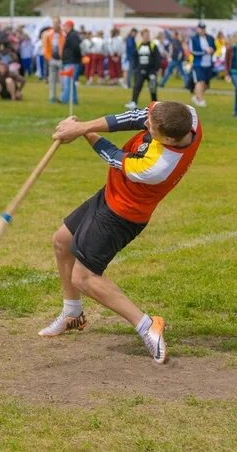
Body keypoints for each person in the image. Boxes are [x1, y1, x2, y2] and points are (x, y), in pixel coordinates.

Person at [41, 101, 202, 364]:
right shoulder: (188, 116)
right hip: (112, 194)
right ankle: (72, 313)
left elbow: (112, 155)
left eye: (153, 128)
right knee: (62, 241)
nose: (146, 124)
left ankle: (146, 324)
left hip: (122, 213)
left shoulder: (157, 166)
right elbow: (135, 117)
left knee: (83, 278)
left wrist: (82, 131)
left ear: (170, 139)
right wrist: (82, 125)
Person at [126, 29, 161, 109]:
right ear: (142, 36)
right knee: (137, 86)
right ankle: (134, 102)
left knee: (152, 87)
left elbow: (157, 58)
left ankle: (154, 104)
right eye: (145, 35)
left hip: (151, 71)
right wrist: (135, 68)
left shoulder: (153, 45)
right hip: (140, 70)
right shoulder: (138, 45)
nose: (147, 36)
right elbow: (135, 57)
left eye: (148, 35)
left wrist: (156, 69)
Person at [188, 22, 215, 107]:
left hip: (208, 64)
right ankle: (200, 99)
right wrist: (204, 52)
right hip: (198, 64)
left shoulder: (210, 38)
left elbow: (214, 47)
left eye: (203, 28)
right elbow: (192, 51)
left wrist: (212, 50)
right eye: (200, 28)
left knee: (205, 84)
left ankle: (196, 97)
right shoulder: (193, 39)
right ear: (198, 29)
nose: (202, 30)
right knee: (200, 81)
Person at [43, 17, 65, 103]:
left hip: (61, 60)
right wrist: (48, 58)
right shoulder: (48, 34)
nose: (55, 24)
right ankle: (52, 97)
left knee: (63, 80)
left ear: (60, 23)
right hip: (52, 59)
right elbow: (45, 47)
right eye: (54, 23)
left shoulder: (63, 34)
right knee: (52, 80)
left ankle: (62, 97)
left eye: (57, 23)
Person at [60, 20, 82, 104]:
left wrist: (76, 58)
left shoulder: (72, 35)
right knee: (71, 82)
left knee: (68, 81)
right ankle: (74, 100)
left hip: (71, 61)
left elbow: (76, 48)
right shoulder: (72, 35)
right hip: (72, 61)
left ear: (69, 26)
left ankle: (64, 99)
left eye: (64, 26)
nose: (63, 28)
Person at [225, 38, 237, 117]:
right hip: (233, 73)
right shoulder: (231, 49)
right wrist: (227, 74)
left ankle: (235, 111)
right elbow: (226, 62)